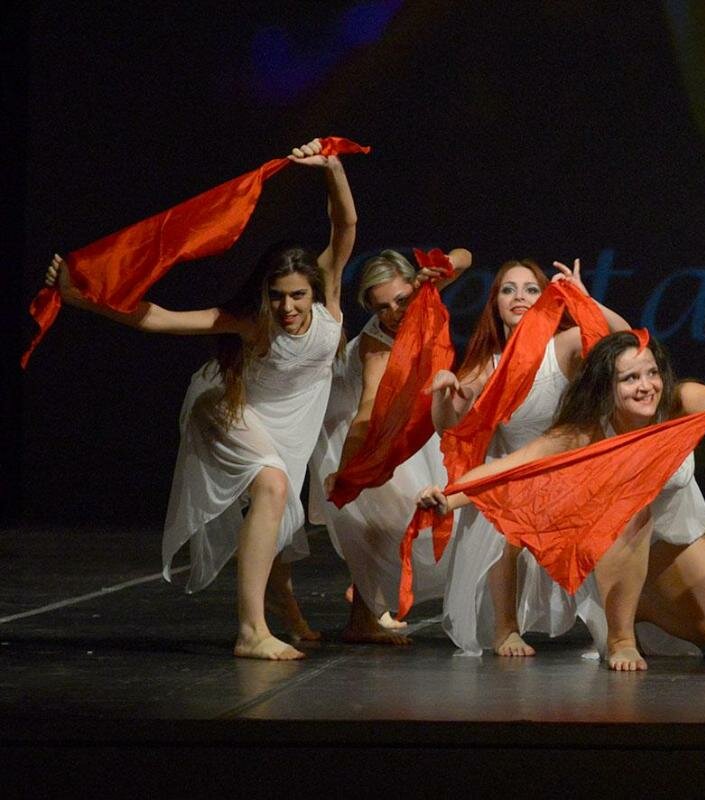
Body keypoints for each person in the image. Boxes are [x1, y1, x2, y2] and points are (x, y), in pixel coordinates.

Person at [45, 138, 357, 660]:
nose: (287, 307)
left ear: (314, 290)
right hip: (230, 409)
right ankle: (251, 631)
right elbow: (159, 319)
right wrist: (83, 298)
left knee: (278, 511)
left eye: (297, 295)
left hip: (290, 423)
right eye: (277, 296)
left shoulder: (329, 296)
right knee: (273, 484)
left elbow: (344, 226)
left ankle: (274, 608)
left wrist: (332, 169)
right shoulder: (250, 322)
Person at [418, 330, 705, 671]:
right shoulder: (585, 432)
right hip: (612, 541)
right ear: (607, 387)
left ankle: (639, 607)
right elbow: (507, 469)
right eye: (630, 378)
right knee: (631, 507)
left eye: (652, 373)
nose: (646, 386)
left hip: (670, 531)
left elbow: (703, 396)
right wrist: (447, 498)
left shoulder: (673, 405)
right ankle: (621, 637)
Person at [429, 258, 628, 656]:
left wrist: (586, 301)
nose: (519, 297)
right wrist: (442, 394)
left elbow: (625, 343)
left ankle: (615, 629)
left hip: (568, 474)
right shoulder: (488, 365)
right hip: (513, 478)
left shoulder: (563, 345)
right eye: (508, 289)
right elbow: (447, 425)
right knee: (496, 516)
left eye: (531, 289)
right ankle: (506, 630)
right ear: (496, 303)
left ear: (545, 299)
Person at [308, 247, 471, 643]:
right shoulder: (377, 345)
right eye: (383, 307)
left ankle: (367, 598)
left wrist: (441, 268)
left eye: (401, 299)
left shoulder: (422, 295)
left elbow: (465, 257)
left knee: (398, 515)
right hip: (354, 424)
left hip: (403, 414)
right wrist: (349, 470)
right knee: (379, 517)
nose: (396, 312)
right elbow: (367, 411)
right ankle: (362, 616)